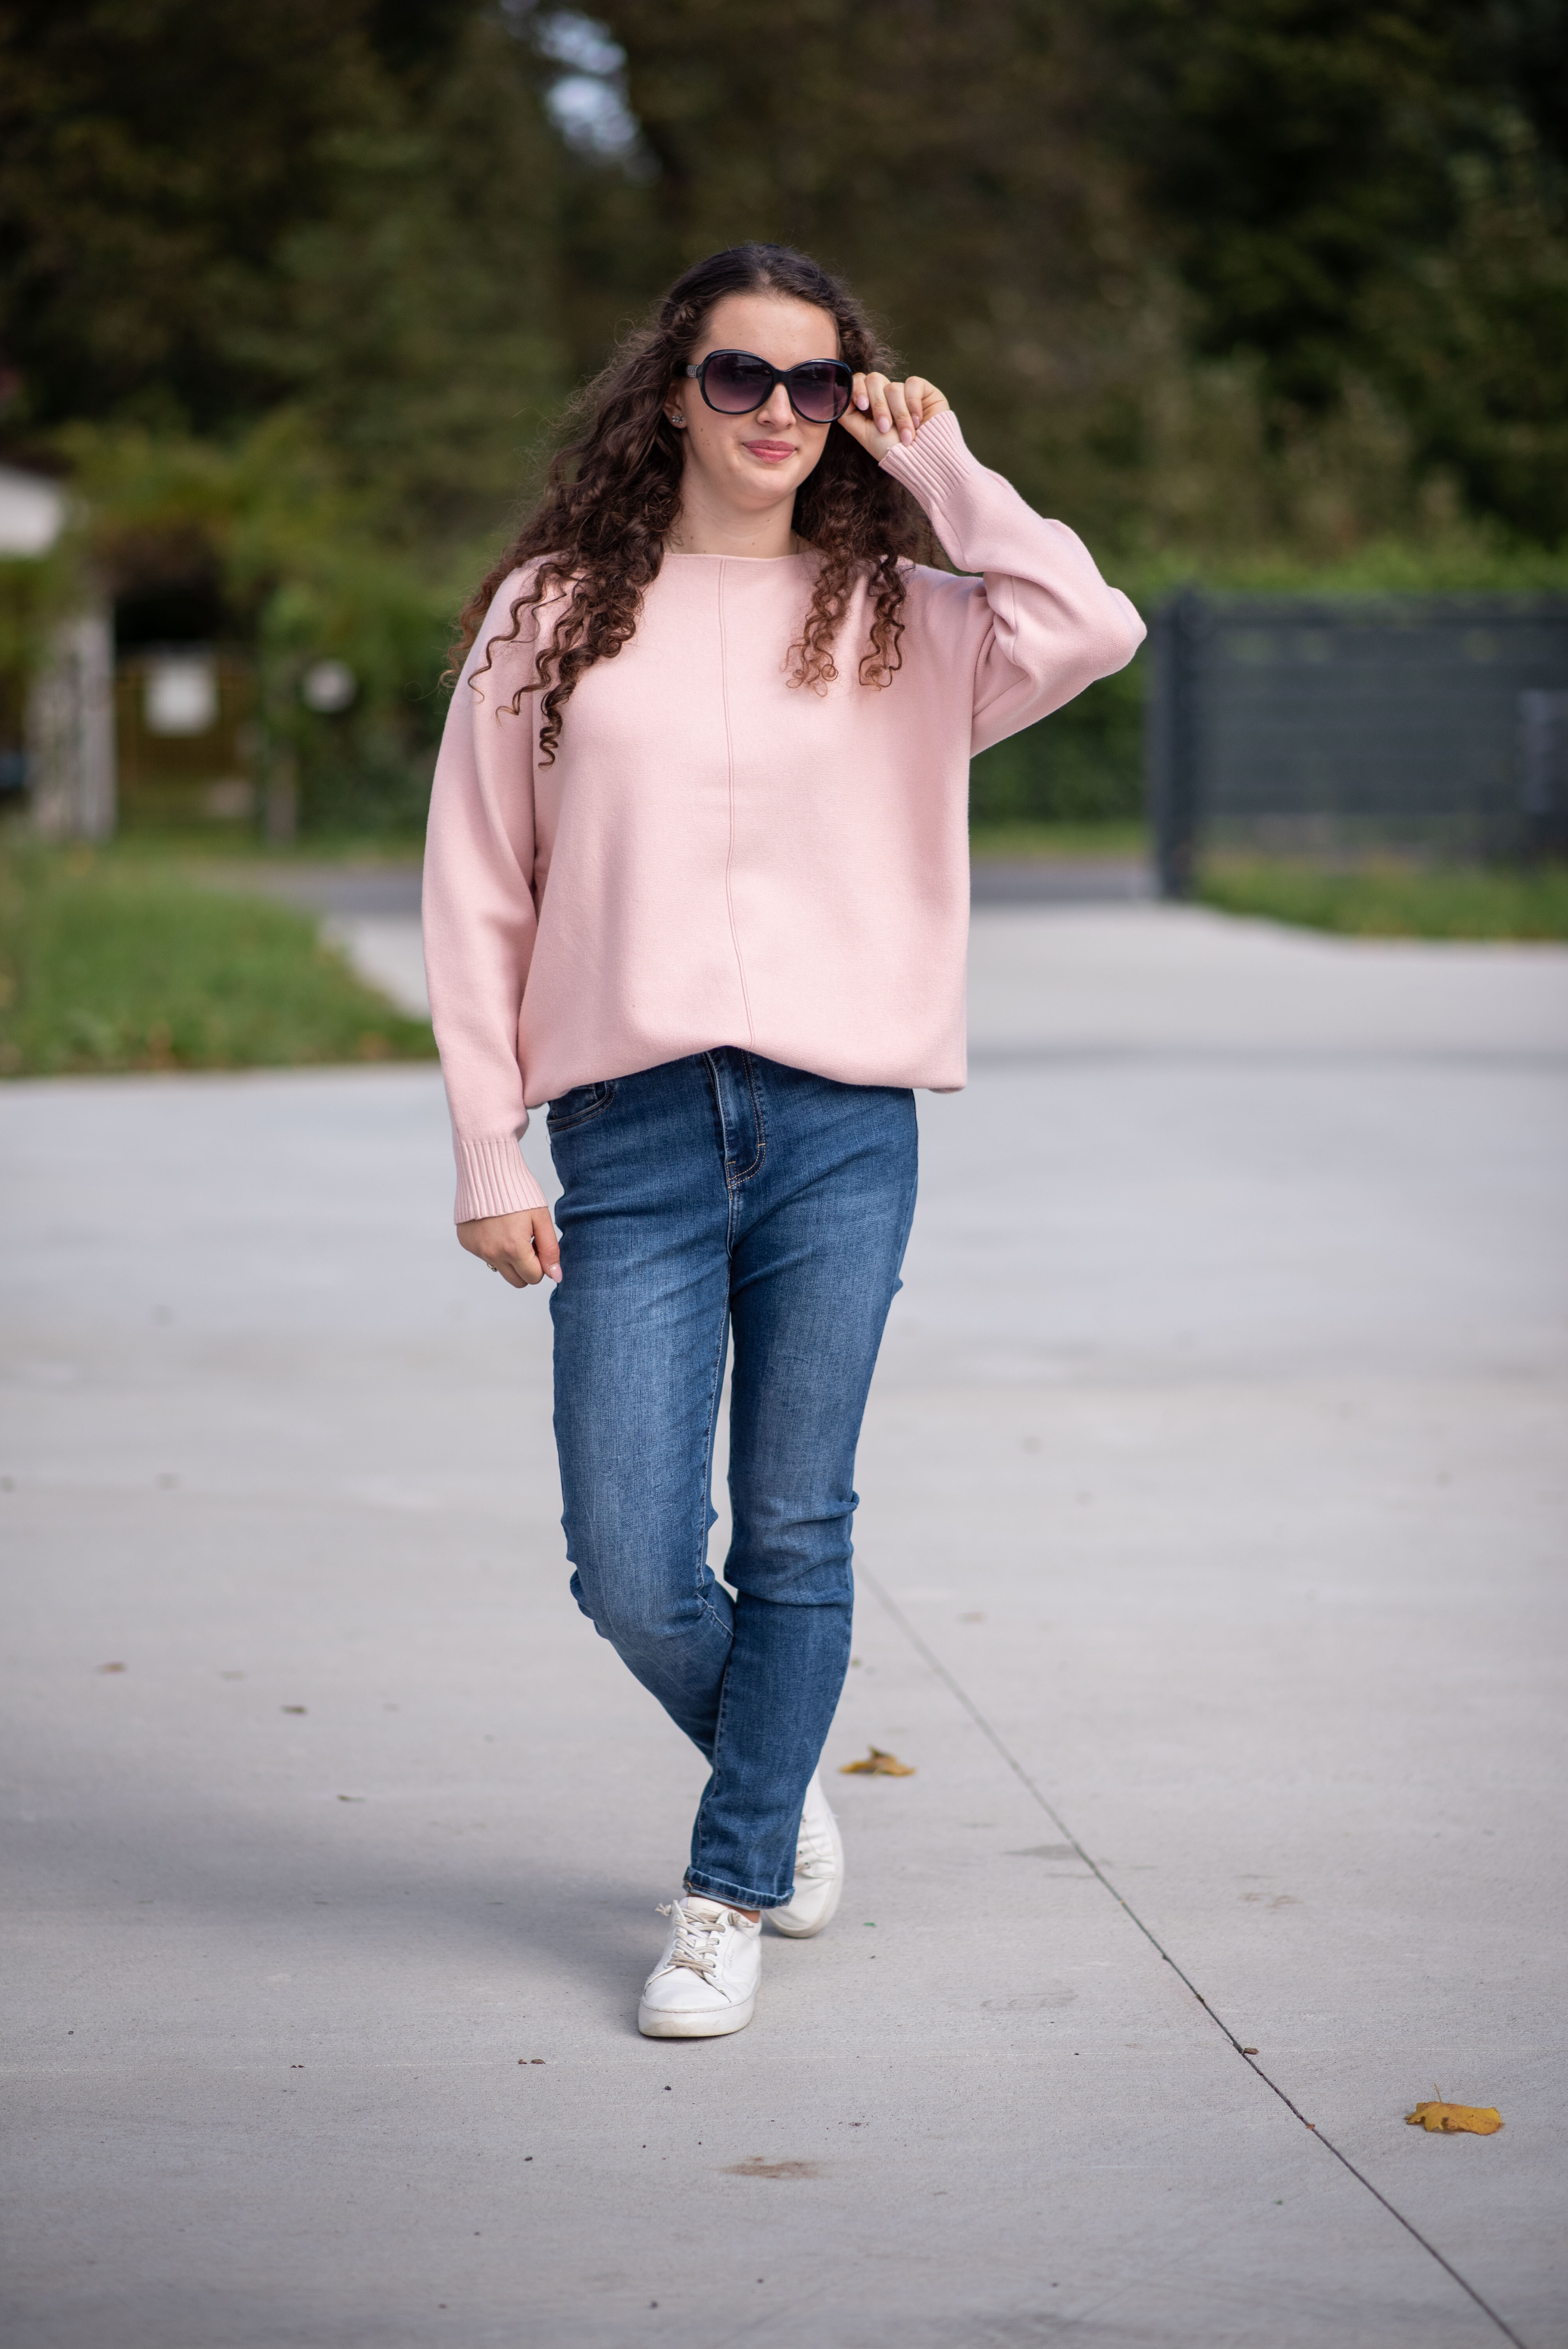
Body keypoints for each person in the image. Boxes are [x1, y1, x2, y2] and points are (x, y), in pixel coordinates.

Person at [422, 242, 1143, 2041]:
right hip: (630, 1130)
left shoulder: (904, 613)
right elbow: (476, 892)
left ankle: (727, 1883)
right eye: (738, 376)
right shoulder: (551, 611)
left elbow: (1090, 623)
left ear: (850, 405)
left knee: (797, 1530)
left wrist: (940, 465)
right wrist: (487, 1149)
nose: (775, 412)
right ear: (673, 391)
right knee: (627, 1560)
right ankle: (773, 1764)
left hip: (839, 1129)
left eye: (815, 384)